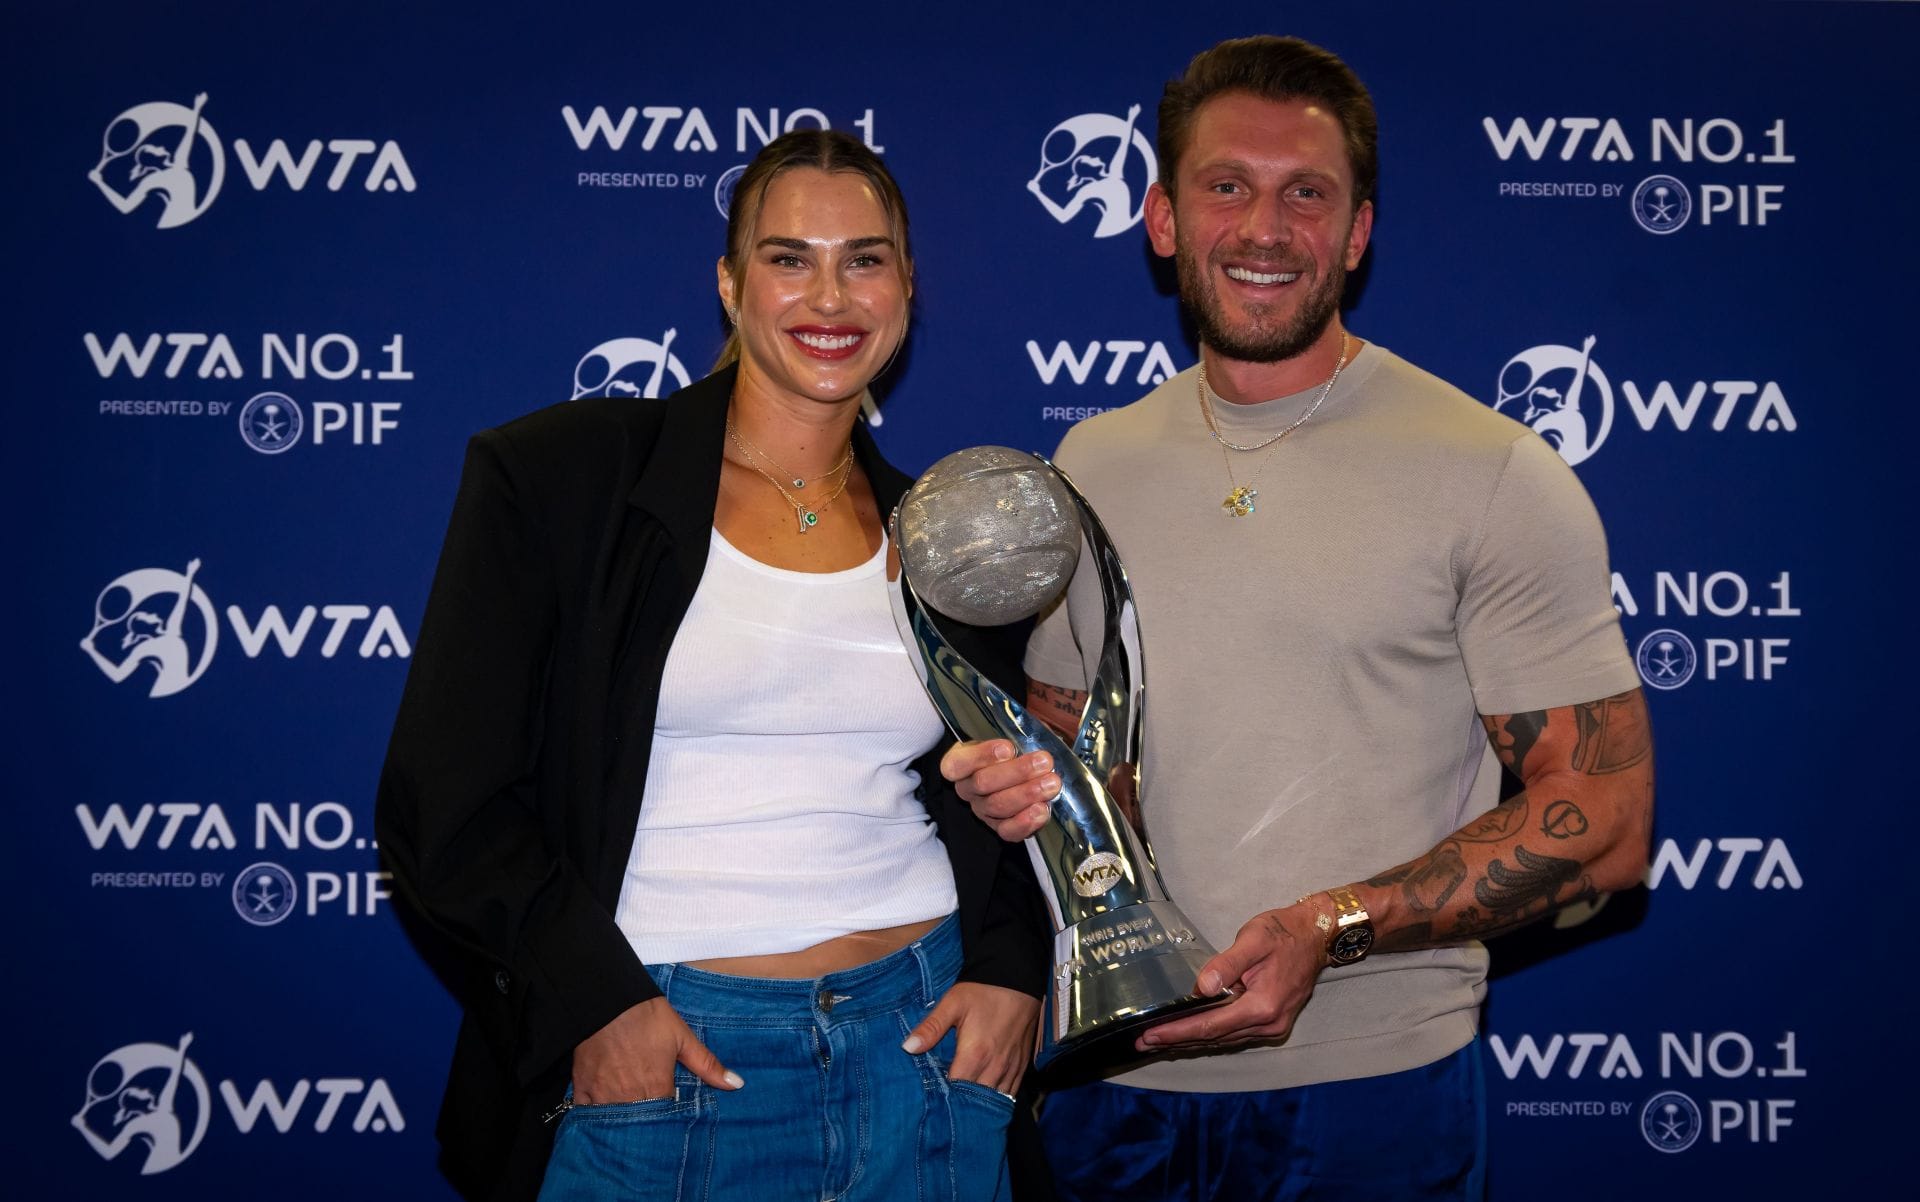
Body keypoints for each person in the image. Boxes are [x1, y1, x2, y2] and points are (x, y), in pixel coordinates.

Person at [942, 36, 1653, 1201]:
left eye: (1305, 194)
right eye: (1228, 186)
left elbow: (1609, 820)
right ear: (1163, 217)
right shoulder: (1091, 461)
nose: (1264, 229)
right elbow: (1073, 762)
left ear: (1356, 233)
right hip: (1113, 1090)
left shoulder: (1490, 469)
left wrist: (1334, 922)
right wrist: (1017, 783)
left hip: (1374, 1091)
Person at [377, 129, 1049, 1202]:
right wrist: (590, 1002)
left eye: (865, 259)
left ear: (908, 287)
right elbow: (442, 802)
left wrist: (1010, 968)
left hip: (921, 1044)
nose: (830, 294)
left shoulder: (947, 529)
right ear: (731, 284)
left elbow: (1004, 790)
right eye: (790, 258)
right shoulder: (561, 481)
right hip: (671, 1048)